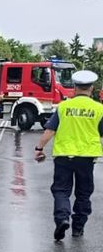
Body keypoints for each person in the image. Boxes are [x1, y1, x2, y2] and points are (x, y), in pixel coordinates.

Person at [35, 70, 103, 241]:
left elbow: (49, 131)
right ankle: (78, 228)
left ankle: (62, 218)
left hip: (63, 156)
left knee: (61, 190)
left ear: (74, 87)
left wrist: (39, 148)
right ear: (92, 88)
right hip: (87, 158)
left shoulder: (63, 107)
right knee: (83, 193)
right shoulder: (99, 109)